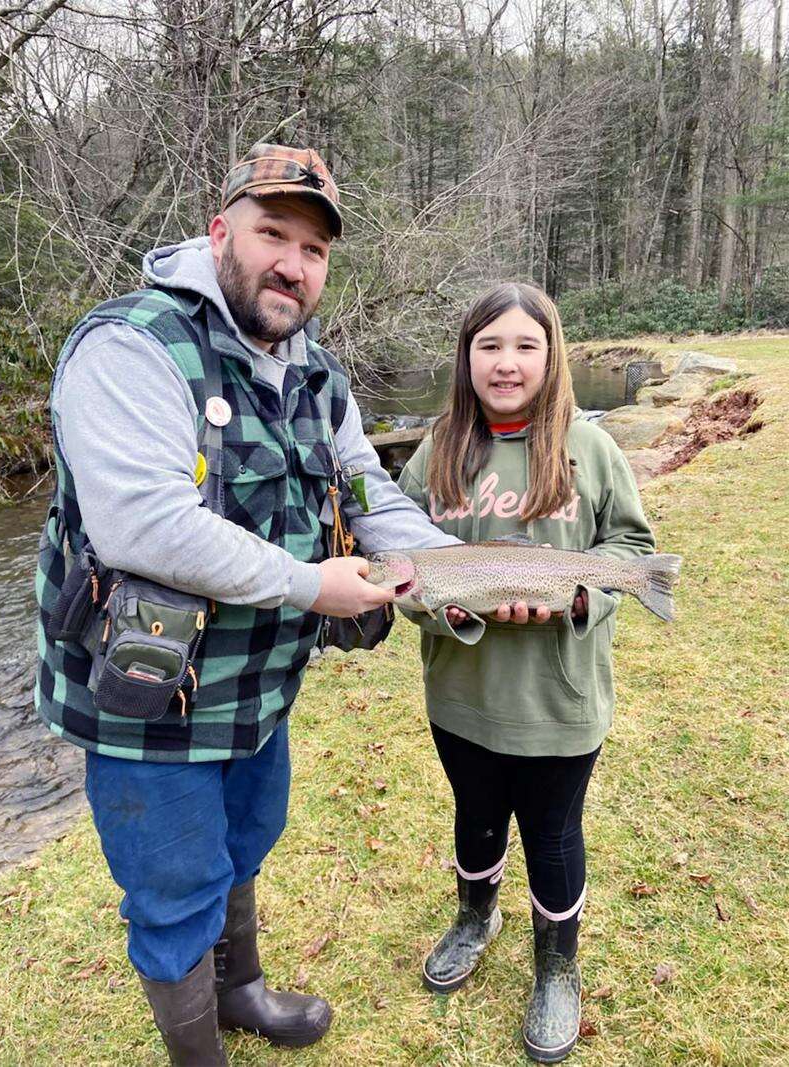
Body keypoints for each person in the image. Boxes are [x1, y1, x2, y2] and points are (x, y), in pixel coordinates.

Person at [34, 143, 458, 1066]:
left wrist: (453, 565)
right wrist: (315, 585)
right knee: (173, 883)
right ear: (219, 229)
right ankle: (199, 1055)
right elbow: (143, 526)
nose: (292, 264)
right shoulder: (132, 344)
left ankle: (242, 989)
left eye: (314, 250)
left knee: (245, 839)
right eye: (273, 233)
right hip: (146, 697)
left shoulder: (319, 372)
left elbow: (364, 490)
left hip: (257, 690)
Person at [397, 282, 656, 1063]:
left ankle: (557, 968)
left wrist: (581, 597)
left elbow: (634, 552)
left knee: (552, 834)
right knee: (475, 817)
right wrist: (450, 610)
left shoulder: (590, 446)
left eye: (524, 346)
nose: (506, 364)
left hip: (561, 703)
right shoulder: (437, 446)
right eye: (489, 346)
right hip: (462, 700)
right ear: (465, 357)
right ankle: (476, 915)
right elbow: (404, 570)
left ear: (553, 356)